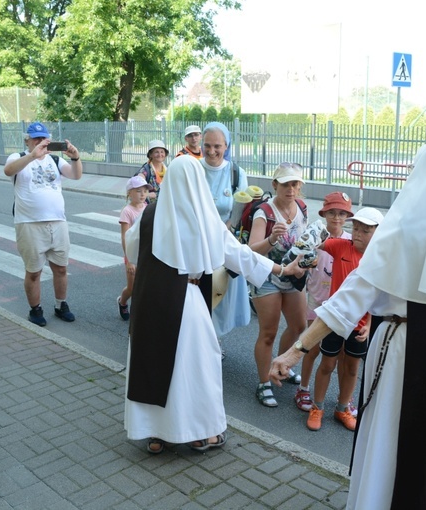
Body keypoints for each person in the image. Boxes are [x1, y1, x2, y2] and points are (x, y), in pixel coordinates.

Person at [270, 141, 426, 510]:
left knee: (395, 437)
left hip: (407, 344)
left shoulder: (399, 232)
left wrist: (295, 351)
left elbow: (347, 301)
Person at [123, 156, 304, 455]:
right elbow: (240, 256)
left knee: (151, 364)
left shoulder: (150, 214)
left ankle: (155, 435)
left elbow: (132, 247)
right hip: (187, 302)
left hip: (150, 302)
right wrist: (283, 270)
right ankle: (199, 435)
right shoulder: (204, 217)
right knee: (194, 371)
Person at [306, 206, 384, 433]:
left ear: (378, 232)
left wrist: (369, 325)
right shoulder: (340, 245)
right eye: (356, 228)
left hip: (360, 326)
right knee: (328, 364)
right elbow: (314, 243)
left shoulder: (380, 259)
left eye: (365, 230)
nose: (357, 233)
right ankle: (317, 407)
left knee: (351, 368)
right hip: (334, 320)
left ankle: (342, 408)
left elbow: (379, 298)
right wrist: (309, 240)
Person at [3, 121, 83, 327]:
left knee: (61, 268)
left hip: (58, 222)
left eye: (43, 139)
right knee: (34, 271)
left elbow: (76, 175)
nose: (40, 142)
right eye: (36, 139)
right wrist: (32, 156)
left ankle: (60, 304)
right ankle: (35, 309)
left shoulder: (55, 160)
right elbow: (8, 171)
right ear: (27, 141)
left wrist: (75, 157)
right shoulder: (19, 157)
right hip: (29, 224)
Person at [249, 162, 308, 408]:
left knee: (298, 326)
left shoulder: (302, 207)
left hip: (293, 277)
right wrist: (272, 238)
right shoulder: (265, 212)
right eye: (285, 184)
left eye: (295, 184)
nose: (291, 189)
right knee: (268, 332)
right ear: (275, 185)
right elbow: (250, 252)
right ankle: (264, 383)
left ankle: (281, 365)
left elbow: (305, 240)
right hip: (267, 278)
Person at [297, 192, 355, 414]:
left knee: (339, 355)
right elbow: (301, 261)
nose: (337, 218)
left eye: (342, 213)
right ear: (324, 213)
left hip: (341, 307)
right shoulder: (314, 237)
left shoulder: (351, 241)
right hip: (317, 302)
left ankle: (344, 400)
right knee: (310, 347)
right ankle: (303, 388)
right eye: (332, 213)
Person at [201, 121, 250, 337]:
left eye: (217, 146)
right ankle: (201, 338)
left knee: (220, 294)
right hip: (200, 243)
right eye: (207, 145)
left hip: (224, 244)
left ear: (227, 145)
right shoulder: (194, 170)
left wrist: (226, 227)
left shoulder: (236, 173)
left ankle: (215, 340)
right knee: (199, 294)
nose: (212, 151)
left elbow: (240, 211)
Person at [116, 175, 153, 321]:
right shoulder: (127, 211)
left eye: (145, 190)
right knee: (132, 288)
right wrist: (129, 260)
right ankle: (122, 301)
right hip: (132, 255)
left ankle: (140, 314)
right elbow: (125, 237)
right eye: (138, 191)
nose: (143, 194)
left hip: (146, 253)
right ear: (129, 193)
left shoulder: (148, 208)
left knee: (144, 286)